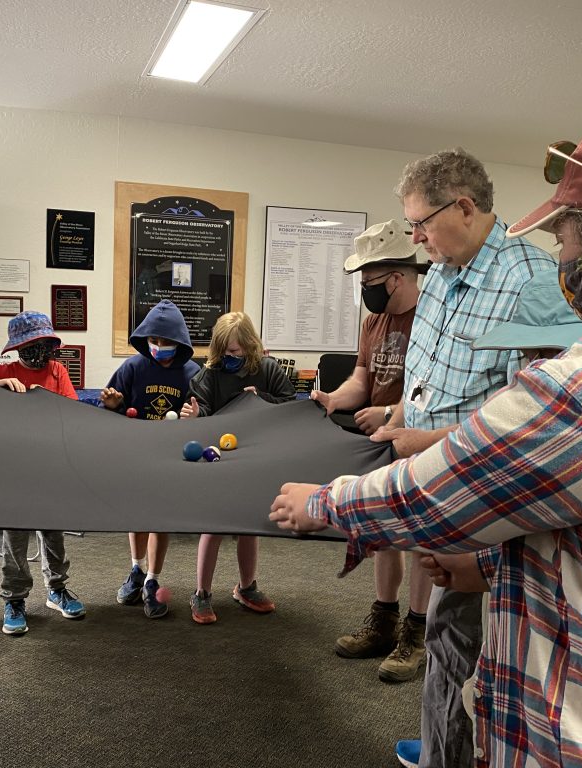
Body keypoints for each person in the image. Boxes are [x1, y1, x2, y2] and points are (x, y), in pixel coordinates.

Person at [272, 103, 582, 766]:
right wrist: (494, 561)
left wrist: (322, 502)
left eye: (566, 240)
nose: (563, 263)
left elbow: (432, 493)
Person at [283, 149, 555, 767]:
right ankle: (443, 743)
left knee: (470, 644)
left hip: (485, 506)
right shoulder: (438, 279)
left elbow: (532, 428)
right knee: (448, 641)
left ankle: (451, 751)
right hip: (433, 488)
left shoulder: (533, 284)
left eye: (421, 223)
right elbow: (424, 380)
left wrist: (420, 445)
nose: (416, 237)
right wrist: (399, 418)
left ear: (464, 206)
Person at [394, 267, 582, 768]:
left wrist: (326, 503)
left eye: (544, 354)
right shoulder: (543, 402)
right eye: (526, 354)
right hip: (522, 596)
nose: (532, 366)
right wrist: (481, 568)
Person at [311, 220, 433, 682]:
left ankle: (415, 633)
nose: (366, 291)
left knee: (421, 537)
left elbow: (428, 385)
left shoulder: (429, 318)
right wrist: (332, 399)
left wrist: (389, 416)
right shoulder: (374, 321)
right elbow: (362, 380)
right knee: (382, 532)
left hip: (418, 440)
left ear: (396, 277)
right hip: (380, 444)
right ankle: (383, 619)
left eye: (370, 282)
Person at [0, 311, 86, 634]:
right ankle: (15, 597)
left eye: (44, 345)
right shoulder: (5, 371)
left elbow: (71, 412)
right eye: (31, 345)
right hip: (14, 469)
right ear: (17, 348)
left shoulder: (57, 371)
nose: (39, 352)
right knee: (16, 537)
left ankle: (57, 589)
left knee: (54, 533)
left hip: (50, 466)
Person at [180, 312, 295, 624]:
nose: (229, 357)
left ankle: (246, 587)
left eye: (236, 351)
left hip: (258, 458)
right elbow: (202, 407)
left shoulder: (267, 369)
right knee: (213, 527)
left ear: (249, 345)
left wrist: (262, 398)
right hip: (219, 458)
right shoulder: (210, 374)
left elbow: (290, 404)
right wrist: (194, 416)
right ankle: (201, 593)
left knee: (250, 526)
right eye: (224, 352)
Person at [101, 300, 200, 618]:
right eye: (154, 341)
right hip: (137, 456)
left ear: (180, 343)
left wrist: (194, 416)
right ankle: (136, 570)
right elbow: (111, 408)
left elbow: (203, 416)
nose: (159, 347)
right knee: (137, 516)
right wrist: (114, 406)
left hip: (170, 458)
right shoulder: (132, 368)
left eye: (166, 342)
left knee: (160, 520)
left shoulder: (192, 372)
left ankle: (152, 581)